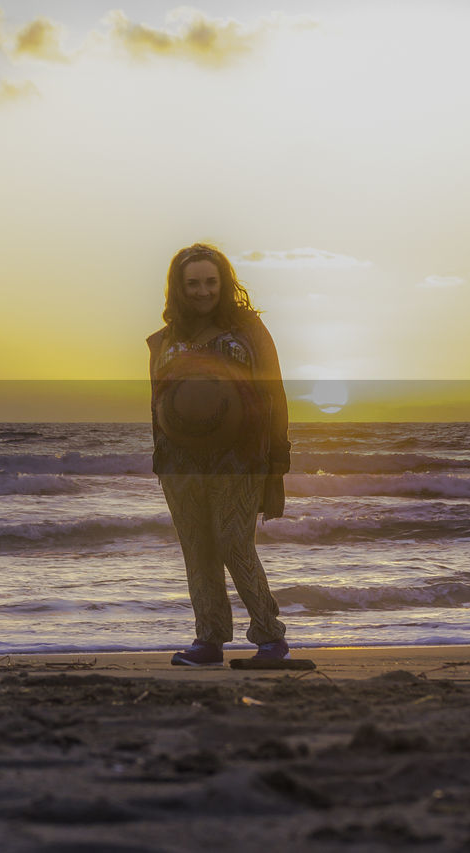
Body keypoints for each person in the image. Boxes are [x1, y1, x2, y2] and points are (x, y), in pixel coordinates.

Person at [147, 243, 291, 666]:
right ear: (179, 287)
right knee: (197, 548)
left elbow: (275, 393)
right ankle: (208, 641)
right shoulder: (165, 338)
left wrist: (278, 460)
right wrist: (160, 456)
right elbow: (156, 401)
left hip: (240, 457)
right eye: (193, 283)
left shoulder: (249, 331)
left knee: (232, 543)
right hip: (179, 462)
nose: (203, 291)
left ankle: (270, 638)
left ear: (224, 283)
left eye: (211, 281)